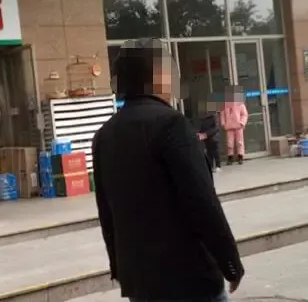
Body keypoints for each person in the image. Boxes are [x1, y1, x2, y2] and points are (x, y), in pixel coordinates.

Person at [93, 38, 245, 302]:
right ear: (157, 76)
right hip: (188, 279)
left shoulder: (105, 135)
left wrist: (118, 266)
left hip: (141, 282)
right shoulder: (172, 125)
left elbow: (107, 211)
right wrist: (230, 262)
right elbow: (202, 201)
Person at [220, 87, 248, 165]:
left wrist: (242, 123)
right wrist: (223, 124)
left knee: (240, 142)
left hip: (238, 126)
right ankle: (230, 157)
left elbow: (244, 114)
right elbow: (222, 115)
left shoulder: (240, 103)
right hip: (229, 126)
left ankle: (240, 156)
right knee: (230, 143)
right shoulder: (225, 105)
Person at [197, 100, 222, 173]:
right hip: (207, 139)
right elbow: (202, 128)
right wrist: (200, 133)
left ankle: (218, 166)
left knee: (216, 152)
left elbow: (216, 128)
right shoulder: (204, 118)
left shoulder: (214, 116)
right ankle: (211, 167)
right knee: (209, 153)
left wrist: (206, 134)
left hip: (214, 138)